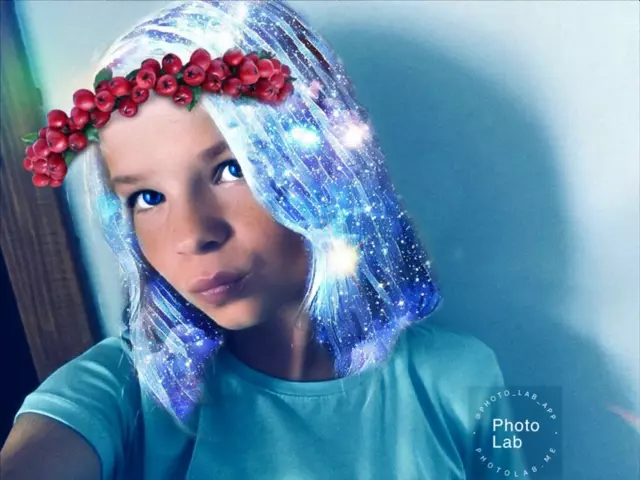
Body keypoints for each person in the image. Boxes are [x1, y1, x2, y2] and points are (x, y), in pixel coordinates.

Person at [1, 1, 525, 478]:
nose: (192, 235)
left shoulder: (466, 377)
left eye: (231, 170)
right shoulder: (123, 391)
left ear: (322, 165)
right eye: (148, 197)